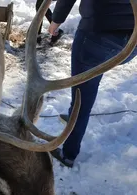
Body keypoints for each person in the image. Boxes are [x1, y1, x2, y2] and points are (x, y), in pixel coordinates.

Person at [48, 0, 137, 168]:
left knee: (82, 96)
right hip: (131, 40)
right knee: (89, 82)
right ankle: (75, 121)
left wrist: (56, 20)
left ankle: (68, 154)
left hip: (97, 33)